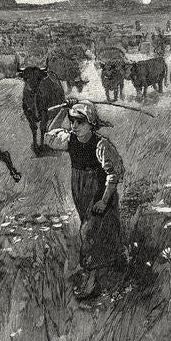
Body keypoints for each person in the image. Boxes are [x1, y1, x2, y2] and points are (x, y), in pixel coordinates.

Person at [41, 100, 127, 301]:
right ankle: (114, 264)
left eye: (80, 122)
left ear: (91, 123)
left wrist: (104, 201)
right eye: (72, 121)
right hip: (81, 191)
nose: (74, 126)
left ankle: (91, 281)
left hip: (99, 193)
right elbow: (48, 137)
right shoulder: (70, 140)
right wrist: (62, 112)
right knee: (97, 232)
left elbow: (114, 174)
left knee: (89, 234)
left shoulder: (101, 145)